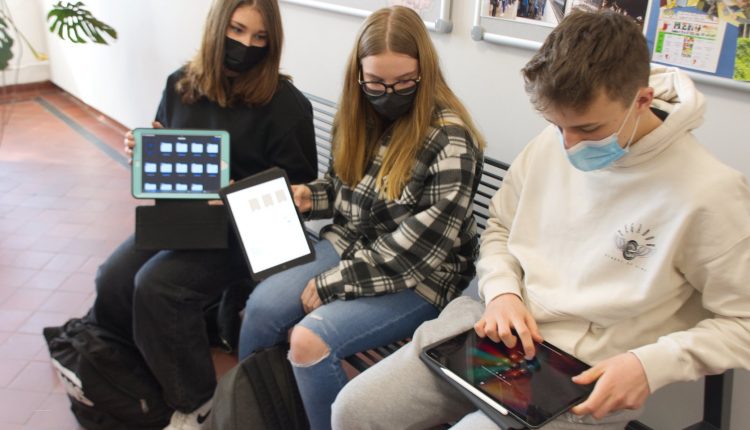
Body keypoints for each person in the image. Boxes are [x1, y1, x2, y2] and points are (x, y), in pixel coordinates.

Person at [331, 10, 750, 430]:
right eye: (555, 125)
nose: (568, 145)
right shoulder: (553, 141)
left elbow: (743, 324)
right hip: (496, 325)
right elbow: (500, 229)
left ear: (641, 101)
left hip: (584, 370)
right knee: (354, 410)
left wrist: (651, 365)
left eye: (588, 128)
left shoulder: (710, 192)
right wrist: (502, 292)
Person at [237, 6, 486, 430]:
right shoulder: (356, 116)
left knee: (310, 340)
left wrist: (334, 282)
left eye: (404, 82)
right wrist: (309, 197)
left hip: (423, 277)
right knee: (261, 307)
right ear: (359, 76)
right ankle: (255, 415)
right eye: (375, 83)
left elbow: (415, 253)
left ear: (425, 72)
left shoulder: (451, 140)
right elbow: (343, 189)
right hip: (352, 243)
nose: (388, 93)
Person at [91, 0, 317, 429]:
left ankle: (197, 406)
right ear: (217, 27)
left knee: (158, 286)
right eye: (237, 30)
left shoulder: (286, 105)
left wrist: (237, 193)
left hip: (251, 233)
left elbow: (300, 195)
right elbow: (164, 147)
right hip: (186, 219)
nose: (246, 45)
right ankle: (139, 375)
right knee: (113, 278)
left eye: (260, 37)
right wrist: (144, 152)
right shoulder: (181, 84)